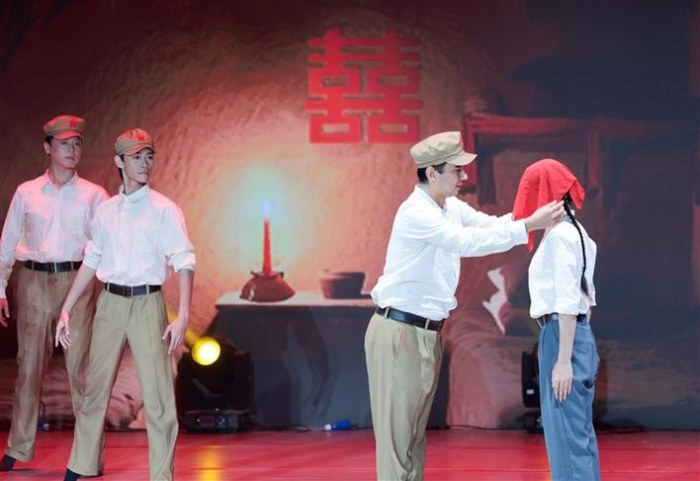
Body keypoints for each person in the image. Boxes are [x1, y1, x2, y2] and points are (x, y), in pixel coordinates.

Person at [365, 131, 565, 481]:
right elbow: (467, 242)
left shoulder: (450, 207)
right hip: (400, 332)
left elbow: (491, 225)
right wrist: (529, 225)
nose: (464, 176)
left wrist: (530, 217)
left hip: (426, 332)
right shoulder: (416, 212)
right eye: (456, 170)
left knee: (413, 436)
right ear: (432, 173)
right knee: (398, 439)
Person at [54, 128, 195, 481]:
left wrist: (184, 315)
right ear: (119, 162)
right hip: (110, 304)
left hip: (147, 304)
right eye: (136, 157)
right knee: (94, 389)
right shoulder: (106, 211)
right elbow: (92, 259)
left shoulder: (164, 210)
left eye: (149, 156)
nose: (145, 163)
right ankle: (82, 464)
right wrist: (66, 307)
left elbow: (184, 261)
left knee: (158, 396)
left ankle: (161, 475)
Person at [0, 115, 108, 472]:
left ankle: (89, 455)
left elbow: (107, 243)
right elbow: (8, 241)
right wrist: (0, 287)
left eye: (76, 143)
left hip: (77, 282)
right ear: (48, 147)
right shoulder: (27, 192)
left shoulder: (94, 195)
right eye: (64, 144)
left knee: (81, 370)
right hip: (33, 281)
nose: (71, 150)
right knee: (29, 368)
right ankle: (18, 447)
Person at [512, 158, 601, 481]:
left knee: (566, 438)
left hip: (561, 335)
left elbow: (567, 300)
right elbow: (586, 300)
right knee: (578, 436)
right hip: (577, 334)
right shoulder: (579, 234)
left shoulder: (561, 236)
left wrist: (563, 360)